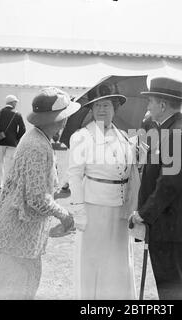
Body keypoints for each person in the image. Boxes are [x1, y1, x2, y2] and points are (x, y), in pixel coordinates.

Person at [0, 87, 79, 300]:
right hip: (16, 234)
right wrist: (64, 215)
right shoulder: (37, 145)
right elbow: (36, 198)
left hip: (16, 231)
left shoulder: (37, 138)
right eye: (64, 117)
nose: (65, 121)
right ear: (57, 120)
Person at [129, 77, 182, 300]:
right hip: (177, 226)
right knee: (175, 287)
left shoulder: (173, 135)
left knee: (171, 291)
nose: (148, 106)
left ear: (162, 105)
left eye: (150, 101)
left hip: (169, 227)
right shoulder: (181, 131)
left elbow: (168, 185)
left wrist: (144, 214)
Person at [68, 82, 139, 299]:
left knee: (118, 262)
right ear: (90, 109)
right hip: (94, 210)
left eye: (106, 104)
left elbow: (131, 173)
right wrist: (79, 213)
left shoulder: (125, 138)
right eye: (97, 105)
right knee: (93, 261)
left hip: (120, 212)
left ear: (115, 107)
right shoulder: (81, 137)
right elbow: (74, 175)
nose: (101, 109)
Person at [0, 95, 26, 189]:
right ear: (12, 102)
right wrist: (16, 138)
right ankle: (7, 183)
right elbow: (23, 129)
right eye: (15, 102)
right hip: (12, 143)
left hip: (0, 141)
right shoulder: (17, 114)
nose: (16, 104)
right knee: (9, 164)